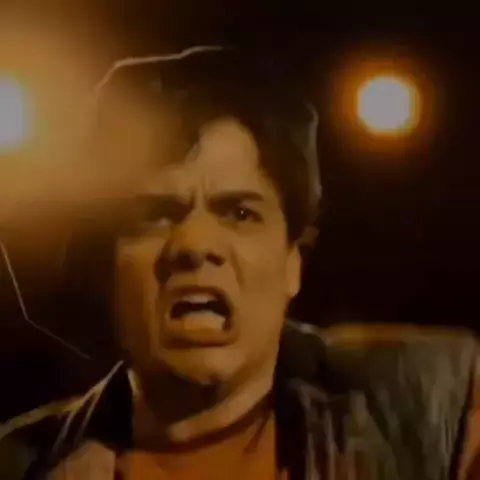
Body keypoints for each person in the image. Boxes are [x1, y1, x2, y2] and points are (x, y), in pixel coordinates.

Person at [1, 46, 480, 480]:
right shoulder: (19, 465)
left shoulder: (438, 405)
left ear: (293, 261)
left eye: (240, 213)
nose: (194, 245)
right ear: (107, 264)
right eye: (157, 215)